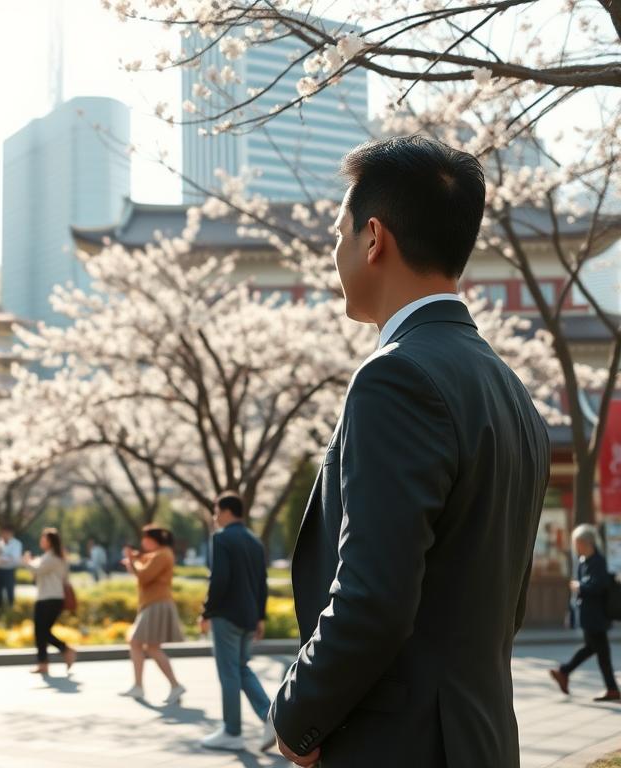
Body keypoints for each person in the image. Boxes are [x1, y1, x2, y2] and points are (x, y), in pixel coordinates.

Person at [270, 136, 550, 767]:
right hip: (480, 739)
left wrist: (298, 717)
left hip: (401, 745)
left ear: (374, 238)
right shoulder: (511, 390)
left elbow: (373, 595)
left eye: (339, 232)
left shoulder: (395, 377)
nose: (335, 251)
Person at [198, 492, 275, 752]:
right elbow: (261, 583)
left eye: (216, 511)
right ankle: (271, 717)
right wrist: (261, 616)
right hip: (249, 616)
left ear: (228, 511)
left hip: (227, 616)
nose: (214, 517)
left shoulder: (221, 538)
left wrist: (206, 612)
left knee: (229, 671)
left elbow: (219, 579)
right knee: (241, 668)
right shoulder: (254, 542)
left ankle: (232, 732)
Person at [551, 525, 620, 701]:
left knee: (596, 649)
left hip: (597, 615)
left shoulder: (598, 561)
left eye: (576, 542)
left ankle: (564, 672)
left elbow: (599, 585)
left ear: (584, 542)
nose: (574, 546)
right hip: (587, 614)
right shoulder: (584, 561)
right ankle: (565, 672)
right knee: (596, 649)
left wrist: (580, 586)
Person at [121, 525, 185, 704]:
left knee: (140, 643)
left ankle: (144, 686)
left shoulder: (162, 554)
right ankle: (167, 685)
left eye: (145, 538)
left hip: (157, 604)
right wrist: (133, 560)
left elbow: (144, 575)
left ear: (153, 540)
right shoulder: (160, 554)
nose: (142, 543)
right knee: (150, 646)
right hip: (154, 603)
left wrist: (131, 560)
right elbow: (142, 566)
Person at [23, 527, 76, 675]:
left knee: (42, 631)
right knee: (41, 632)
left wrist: (27, 561)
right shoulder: (52, 557)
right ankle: (44, 663)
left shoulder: (53, 558)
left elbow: (37, 570)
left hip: (49, 598)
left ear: (51, 542)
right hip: (47, 597)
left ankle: (64, 650)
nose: (41, 541)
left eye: (44, 539)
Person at [0, 524, 22, 616]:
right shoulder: (0, 543)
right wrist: (0, 555)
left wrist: (1, 559)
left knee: (10, 591)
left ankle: (11, 611)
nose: (4, 535)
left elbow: (14, 558)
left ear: (10, 533)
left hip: (9, 571)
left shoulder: (16, 543)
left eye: (6, 533)